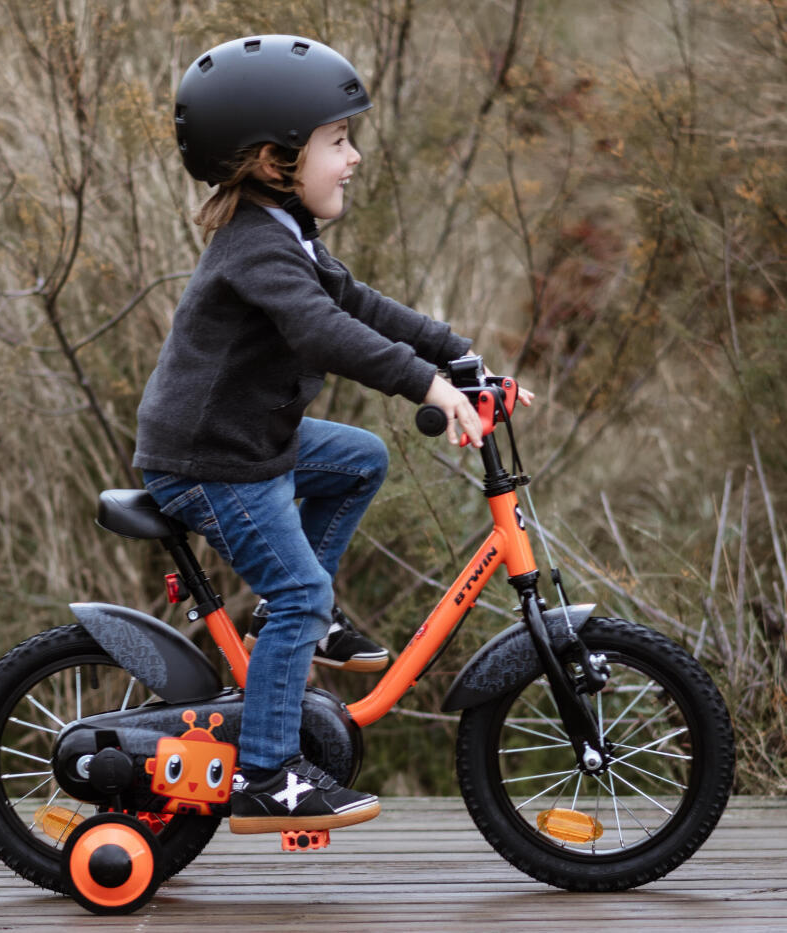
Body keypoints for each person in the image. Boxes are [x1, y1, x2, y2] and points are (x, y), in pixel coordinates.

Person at [134, 34, 516, 834]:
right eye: (337, 141)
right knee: (299, 589)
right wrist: (426, 385)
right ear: (275, 160)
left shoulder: (288, 232)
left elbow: (362, 305)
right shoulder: (254, 246)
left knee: (360, 459)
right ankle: (269, 772)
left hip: (250, 444)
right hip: (212, 463)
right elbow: (321, 329)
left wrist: (456, 352)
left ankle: (300, 624)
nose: (355, 157)